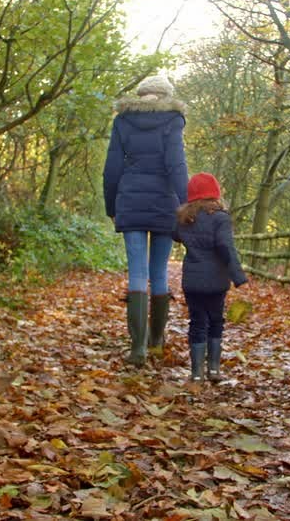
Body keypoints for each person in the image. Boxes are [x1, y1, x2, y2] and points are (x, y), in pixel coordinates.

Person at [103, 75, 189, 367]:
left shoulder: (123, 121)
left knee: (137, 273)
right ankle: (156, 340)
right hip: (164, 202)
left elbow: (112, 166)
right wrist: (186, 203)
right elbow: (176, 164)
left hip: (130, 199)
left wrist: (111, 204)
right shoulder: (172, 120)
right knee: (160, 272)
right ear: (165, 96)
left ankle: (137, 347)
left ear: (142, 95)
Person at [173, 173, 248, 382]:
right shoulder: (220, 218)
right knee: (216, 321)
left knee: (197, 322)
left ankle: (196, 373)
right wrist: (238, 276)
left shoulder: (184, 219)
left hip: (193, 282)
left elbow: (174, 235)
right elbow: (226, 247)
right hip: (216, 281)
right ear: (215, 194)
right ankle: (214, 369)